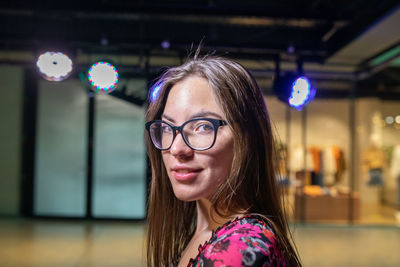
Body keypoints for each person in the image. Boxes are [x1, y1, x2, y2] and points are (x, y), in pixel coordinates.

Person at [145, 52, 301, 267]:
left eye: (203, 127)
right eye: (167, 128)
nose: (176, 148)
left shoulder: (238, 251)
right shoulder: (207, 232)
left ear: (246, 139)